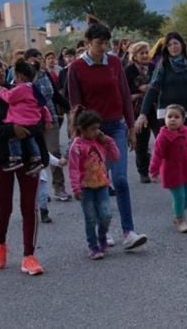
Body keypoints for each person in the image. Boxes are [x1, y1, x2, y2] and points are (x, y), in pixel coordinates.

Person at [68, 21, 148, 251]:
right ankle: (103, 231)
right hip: (91, 132)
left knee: (120, 179)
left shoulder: (114, 62)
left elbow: (124, 94)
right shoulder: (76, 68)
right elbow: (76, 105)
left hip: (116, 127)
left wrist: (131, 127)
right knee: (98, 183)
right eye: (99, 43)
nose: (103, 47)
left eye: (106, 43)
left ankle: (128, 231)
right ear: (87, 43)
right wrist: (80, 135)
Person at [0, 50, 48, 275]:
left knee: (30, 207)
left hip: (29, 158)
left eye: (1, 66)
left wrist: (40, 149)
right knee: (3, 208)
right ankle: (1, 243)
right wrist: (10, 130)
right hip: (0, 159)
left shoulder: (21, 88)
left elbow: (38, 117)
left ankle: (29, 256)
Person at [136, 32, 187, 171]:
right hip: (167, 114)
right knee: (168, 147)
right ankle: (169, 174)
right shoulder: (163, 66)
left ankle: (181, 176)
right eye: (169, 45)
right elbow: (153, 89)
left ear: (182, 45)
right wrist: (143, 113)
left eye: (175, 43)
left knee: (184, 147)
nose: (173, 47)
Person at [150, 104, 187, 233]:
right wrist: (153, 171)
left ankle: (178, 211)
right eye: (169, 116)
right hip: (171, 172)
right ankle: (180, 219)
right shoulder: (163, 136)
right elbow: (157, 155)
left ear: (183, 120)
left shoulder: (186, 131)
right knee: (179, 197)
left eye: (176, 117)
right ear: (164, 119)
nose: (172, 119)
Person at [68, 109, 119, 260]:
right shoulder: (77, 146)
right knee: (90, 218)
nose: (96, 132)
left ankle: (102, 237)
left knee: (106, 215)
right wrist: (76, 188)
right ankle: (93, 245)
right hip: (86, 188)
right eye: (92, 129)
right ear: (82, 129)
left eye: (97, 128)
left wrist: (108, 141)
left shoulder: (100, 142)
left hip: (102, 184)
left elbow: (115, 156)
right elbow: (73, 168)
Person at [25, 49, 70, 197]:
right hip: (31, 121)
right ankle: (39, 189)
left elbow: (55, 96)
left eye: (39, 57)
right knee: (36, 155)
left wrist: (71, 107)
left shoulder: (45, 75)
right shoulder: (21, 77)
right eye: (34, 58)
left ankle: (59, 186)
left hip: (50, 119)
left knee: (54, 151)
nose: (37, 60)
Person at [0, 60, 51, 174]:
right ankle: (36, 158)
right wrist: (47, 119)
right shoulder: (34, 88)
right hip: (33, 122)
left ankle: (16, 157)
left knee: (13, 137)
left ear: (19, 75)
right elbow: (42, 106)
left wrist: (2, 91)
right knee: (30, 140)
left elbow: (9, 97)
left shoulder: (21, 88)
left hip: (20, 121)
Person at [125, 42, 155, 183]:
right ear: (134, 55)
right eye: (141, 53)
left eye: (146, 52)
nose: (144, 55)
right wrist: (138, 91)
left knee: (162, 135)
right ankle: (143, 171)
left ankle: (162, 166)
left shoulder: (154, 68)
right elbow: (125, 89)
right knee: (141, 141)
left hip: (154, 107)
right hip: (137, 109)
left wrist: (149, 89)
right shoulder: (128, 70)